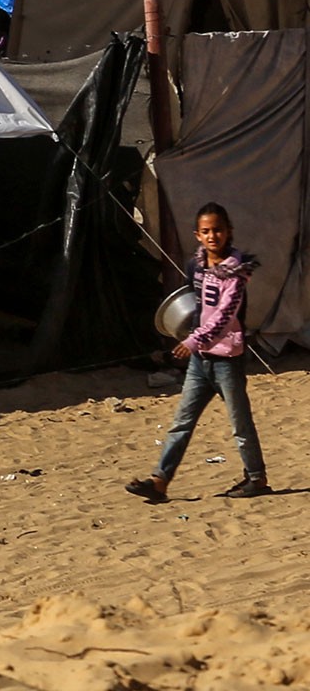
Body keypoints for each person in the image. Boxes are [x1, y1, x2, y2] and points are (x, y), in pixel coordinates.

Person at [127, 203, 270, 503]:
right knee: (182, 422)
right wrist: (191, 339)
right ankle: (160, 481)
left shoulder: (236, 270)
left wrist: (192, 341)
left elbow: (224, 315)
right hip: (201, 361)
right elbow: (195, 304)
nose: (212, 236)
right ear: (197, 235)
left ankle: (256, 478)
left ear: (228, 231)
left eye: (217, 229)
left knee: (239, 423)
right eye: (206, 231)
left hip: (227, 359)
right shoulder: (197, 266)